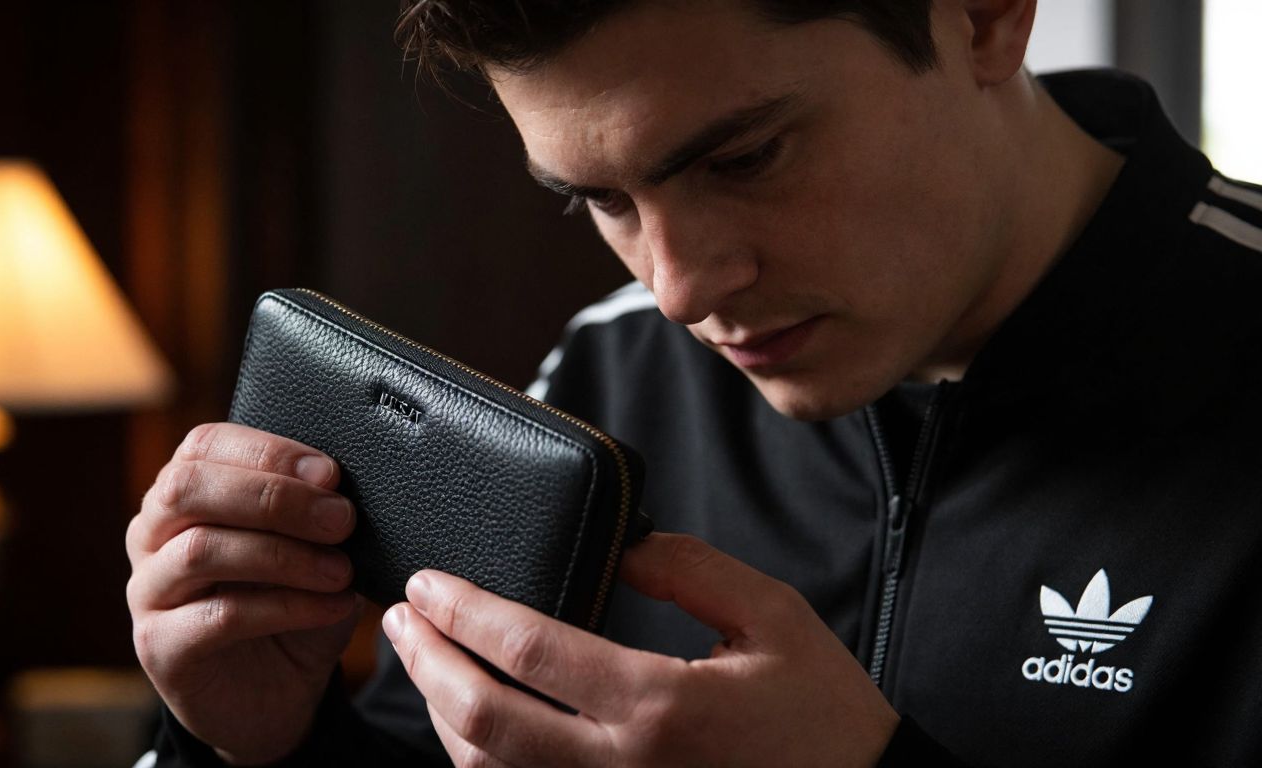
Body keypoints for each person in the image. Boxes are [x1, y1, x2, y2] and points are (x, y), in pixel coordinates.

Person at [126, 0, 1262, 765]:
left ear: (980, 16)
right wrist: (257, 745)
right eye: (602, 201)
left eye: (744, 158)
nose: (676, 290)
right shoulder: (603, 375)